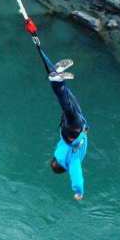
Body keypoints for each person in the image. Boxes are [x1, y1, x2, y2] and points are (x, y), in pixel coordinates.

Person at [46, 59, 88, 201]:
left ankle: (55, 81)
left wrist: (79, 192)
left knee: (68, 106)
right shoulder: (58, 152)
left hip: (74, 130)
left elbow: (77, 178)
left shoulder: (72, 162)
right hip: (67, 129)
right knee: (70, 102)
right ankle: (57, 76)